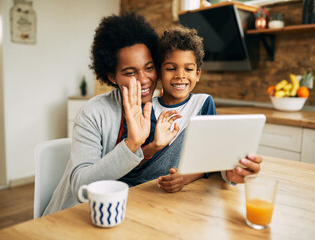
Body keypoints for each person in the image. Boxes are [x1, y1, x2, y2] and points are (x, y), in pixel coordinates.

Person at [43, 12, 180, 215]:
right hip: (74, 215)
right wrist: (132, 143)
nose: (144, 79)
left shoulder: (163, 108)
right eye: (130, 73)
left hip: (124, 213)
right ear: (112, 76)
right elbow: (81, 187)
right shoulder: (92, 113)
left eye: (149, 68)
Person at [151, 25, 262, 192]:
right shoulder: (148, 108)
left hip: (188, 194)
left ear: (198, 74)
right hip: (147, 190)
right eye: (171, 68)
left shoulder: (203, 103)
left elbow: (209, 159)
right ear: (159, 73)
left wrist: (184, 178)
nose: (180, 75)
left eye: (188, 69)